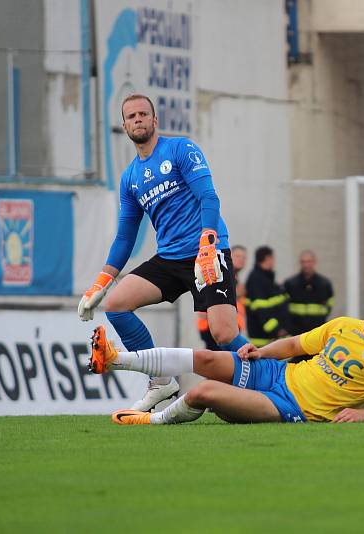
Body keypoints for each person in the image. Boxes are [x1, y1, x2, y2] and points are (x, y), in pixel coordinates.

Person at [77, 93, 248, 412]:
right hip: (169, 257)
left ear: (155, 120)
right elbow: (125, 237)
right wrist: (100, 284)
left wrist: (208, 241)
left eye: (144, 114)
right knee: (115, 304)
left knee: (224, 334)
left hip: (205, 252)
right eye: (131, 116)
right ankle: (162, 381)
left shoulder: (181, 149)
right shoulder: (129, 178)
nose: (138, 119)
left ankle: (272, 375)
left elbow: (209, 198)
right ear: (125, 126)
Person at [89, 276, 364, 424]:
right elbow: (295, 344)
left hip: (290, 406)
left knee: (204, 392)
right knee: (204, 357)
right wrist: (261, 352)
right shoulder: (344, 326)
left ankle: (150, 421)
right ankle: (116, 359)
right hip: (278, 372)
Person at [197, 244, 247, 349]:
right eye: (237, 256)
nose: (241, 260)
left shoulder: (235, 278)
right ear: (229, 256)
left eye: (244, 257)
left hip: (228, 326)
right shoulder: (222, 273)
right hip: (215, 325)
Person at [245, 246, 290, 347]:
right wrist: (276, 329)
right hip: (263, 338)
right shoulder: (257, 279)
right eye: (273, 258)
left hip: (271, 336)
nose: (274, 261)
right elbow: (261, 310)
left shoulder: (266, 278)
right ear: (267, 258)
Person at [284, 250, 335, 335]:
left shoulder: (324, 284)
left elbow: (329, 304)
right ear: (300, 263)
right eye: (303, 262)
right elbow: (284, 306)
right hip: (296, 331)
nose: (306, 265)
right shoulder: (290, 284)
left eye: (309, 261)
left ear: (314, 262)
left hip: (317, 330)